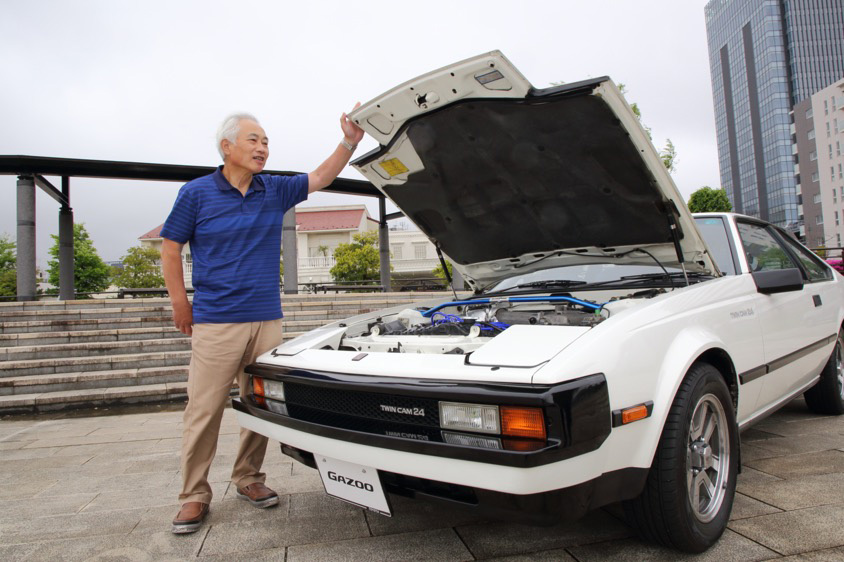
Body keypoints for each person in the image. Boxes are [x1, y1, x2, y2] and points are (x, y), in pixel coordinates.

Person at [161, 108, 364, 534]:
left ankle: (248, 477)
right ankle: (193, 495)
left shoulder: (273, 189)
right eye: (253, 140)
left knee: (259, 402)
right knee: (204, 409)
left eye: (266, 142)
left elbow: (321, 176)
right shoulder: (196, 193)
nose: (262, 148)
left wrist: (349, 141)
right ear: (227, 147)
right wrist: (180, 303)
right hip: (216, 320)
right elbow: (170, 247)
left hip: (266, 318)